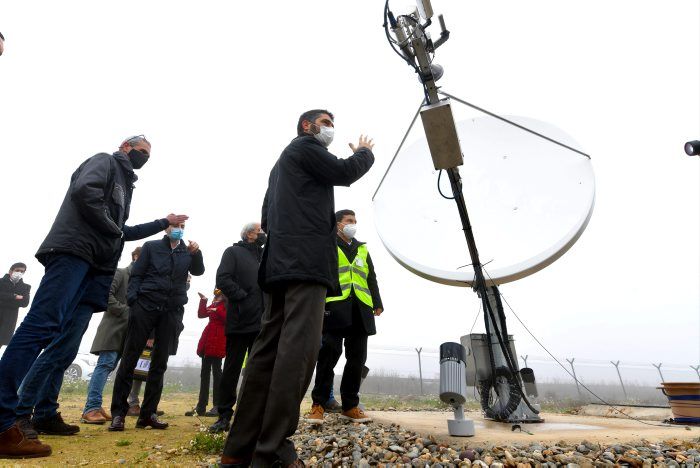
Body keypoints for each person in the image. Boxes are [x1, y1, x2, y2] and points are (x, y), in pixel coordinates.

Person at [0, 135, 185, 459]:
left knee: (66, 344)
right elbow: (86, 193)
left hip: (95, 270)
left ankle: (45, 412)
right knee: (41, 328)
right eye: (141, 151)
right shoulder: (106, 162)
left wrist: (163, 223)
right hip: (74, 253)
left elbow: (120, 229)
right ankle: (7, 418)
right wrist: (114, 229)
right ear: (126, 147)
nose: (144, 157)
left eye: (148, 155)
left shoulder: (126, 187)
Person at [220, 109, 375, 467]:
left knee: (267, 354)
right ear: (307, 126)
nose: (330, 128)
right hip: (305, 267)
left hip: (277, 268)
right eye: (326, 122)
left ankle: (238, 450)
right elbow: (344, 172)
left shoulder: (279, 169)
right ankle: (272, 451)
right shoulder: (306, 147)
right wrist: (364, 153)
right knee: (298, 353)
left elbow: (268, 220)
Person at [109, 221, 204, 431]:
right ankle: (119, 414)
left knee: (159, 363)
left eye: (183, 225)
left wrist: (196, 253)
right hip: (145, 307)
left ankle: (148, 414)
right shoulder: (151, 247)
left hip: (171, 311)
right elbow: (137, 276)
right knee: (130, 358)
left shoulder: (186, 252)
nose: (179, 228)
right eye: (175, 225)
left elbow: (198, 271)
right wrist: (134, 301)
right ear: (167, 228)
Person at [307, 209, 383, 425]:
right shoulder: (327, 244)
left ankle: (350, 406)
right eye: (349, 221)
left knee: (357, 359)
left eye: (355, 221)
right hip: (334, 307)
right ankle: (318, 405)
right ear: (338, 224)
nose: (353, 224)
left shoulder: (362, 249)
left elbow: (371, 277)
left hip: (361, 309)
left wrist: (377, 302)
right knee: (328, 355)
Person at [81, 247, 151, 424]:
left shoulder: (142, 281)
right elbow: (107, 295)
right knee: (104, 365)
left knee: (111, 368)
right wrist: (127, 312)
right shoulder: (120, 273)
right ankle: (91, 408)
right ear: (136, 257)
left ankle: (96, 405)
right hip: (112, 330)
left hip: (128, 334)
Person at [209, 222, 265, 433]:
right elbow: (223, 278)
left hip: (262, 322)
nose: (262, 234)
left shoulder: (263, 256)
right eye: (259, 231)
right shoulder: (233, 252)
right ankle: (224, 415)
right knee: (232, 368)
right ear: (249, 234)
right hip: (240, 320)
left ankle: (252, 415)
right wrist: (243, 298)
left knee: (258, 369)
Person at [186, 290, 227, 417]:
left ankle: (217, 405)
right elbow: (201, 314)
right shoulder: (214, 304)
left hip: (219, 339)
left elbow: (228, 318)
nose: (217, 296)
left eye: (219, 294)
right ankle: (201, 406)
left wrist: (217, 310)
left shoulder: (225, 305)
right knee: (204, 374)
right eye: (216, 294)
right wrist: (204, 301)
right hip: (208, 341)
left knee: (217, 374)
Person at [0, 263, 30, 351]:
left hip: (9, 319)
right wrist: (14, 297)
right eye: (17, 270)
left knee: (1, 340)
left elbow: (25, 303)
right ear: (11, 271)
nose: (19, 273)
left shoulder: (25, 287)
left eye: (22, 271)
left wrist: (3, 299)